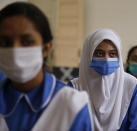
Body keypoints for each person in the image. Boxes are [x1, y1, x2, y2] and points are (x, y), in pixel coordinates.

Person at [0, 2, 92, 131]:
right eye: (5, 42)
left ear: (46, 48)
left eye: (27, 42)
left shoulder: (72, 105)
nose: (15, 50)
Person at [68, 29, 137, 131]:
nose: (106, 59)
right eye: (99, 53)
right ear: (89, 55)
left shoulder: (131, 86)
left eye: (112, 54)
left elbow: (136, 128)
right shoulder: (74, 87)